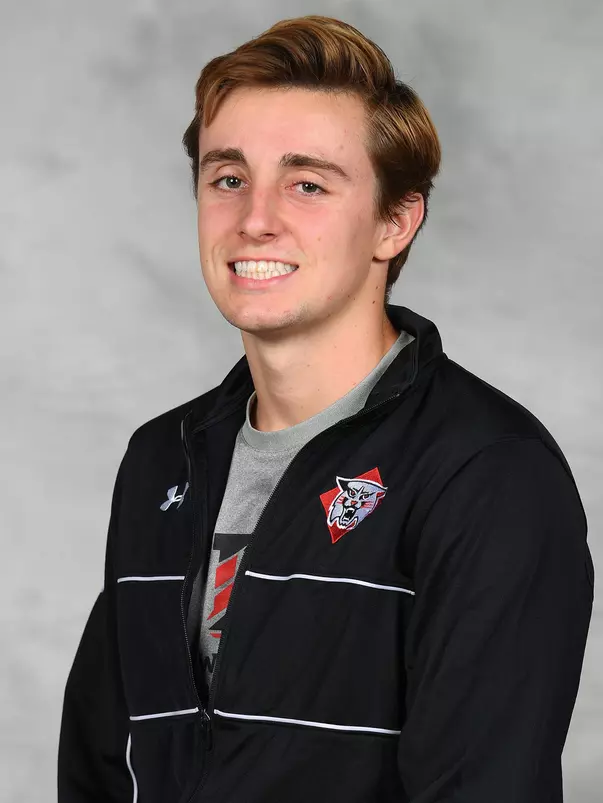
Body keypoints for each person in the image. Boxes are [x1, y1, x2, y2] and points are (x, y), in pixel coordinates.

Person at [58, 14, 594, 803]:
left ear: (393, 221)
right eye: (227, 177)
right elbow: (102, 764)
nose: (255, 218)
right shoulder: (161, 459)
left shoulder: (485, 472)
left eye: (307, 183)